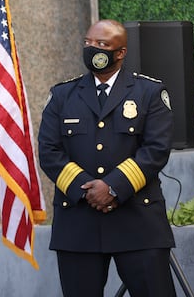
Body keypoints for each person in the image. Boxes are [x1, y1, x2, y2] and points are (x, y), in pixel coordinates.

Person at [37, 19, 176, 297]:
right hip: (79, 224)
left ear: (120, 52)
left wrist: (113, 187)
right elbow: (49, 151)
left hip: (138, 221)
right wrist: (87, 190)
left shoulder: (149, 92)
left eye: (101, 45)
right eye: (88, 42)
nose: (92, 49)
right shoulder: (63, 95)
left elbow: (156, 148)